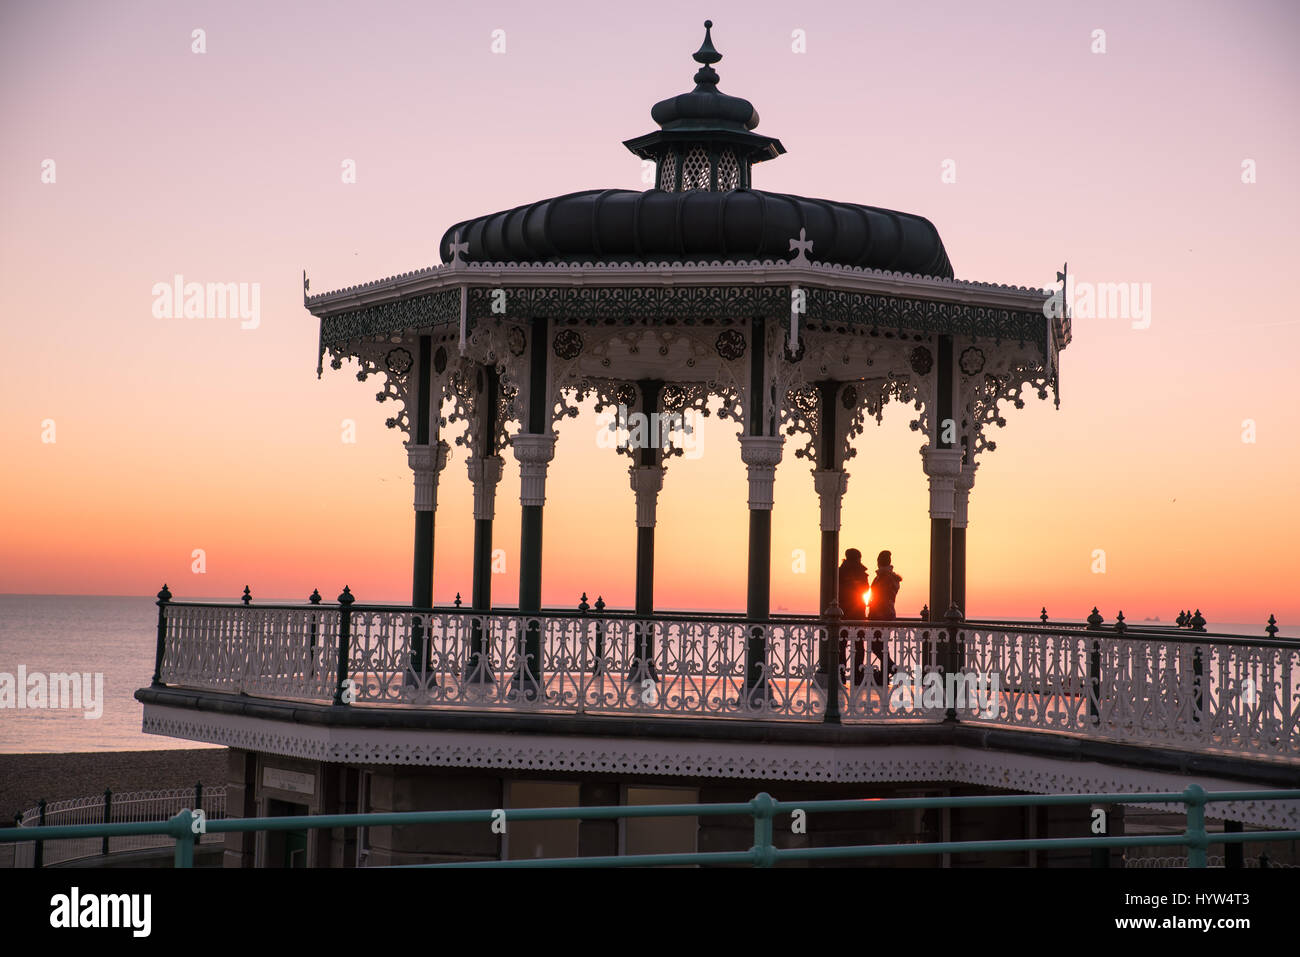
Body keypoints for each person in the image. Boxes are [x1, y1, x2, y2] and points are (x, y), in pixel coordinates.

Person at [866, 550, 902, 684]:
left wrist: (873, 605)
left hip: (881, 616)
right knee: (882, 647)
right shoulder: (889, 577)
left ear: (879, 562)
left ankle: (894, 669)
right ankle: (884, 675)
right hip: (887, 615)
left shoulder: (884, 578)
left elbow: (881, 597)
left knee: (875, 646)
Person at [837, 549, 870, 683]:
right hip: (857, 613)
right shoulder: (862, 574)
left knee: (841, 645)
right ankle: (858, 675)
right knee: (858, 646)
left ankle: (841, 674)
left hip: (843, 613)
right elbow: (865, 590)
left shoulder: (840, 572)